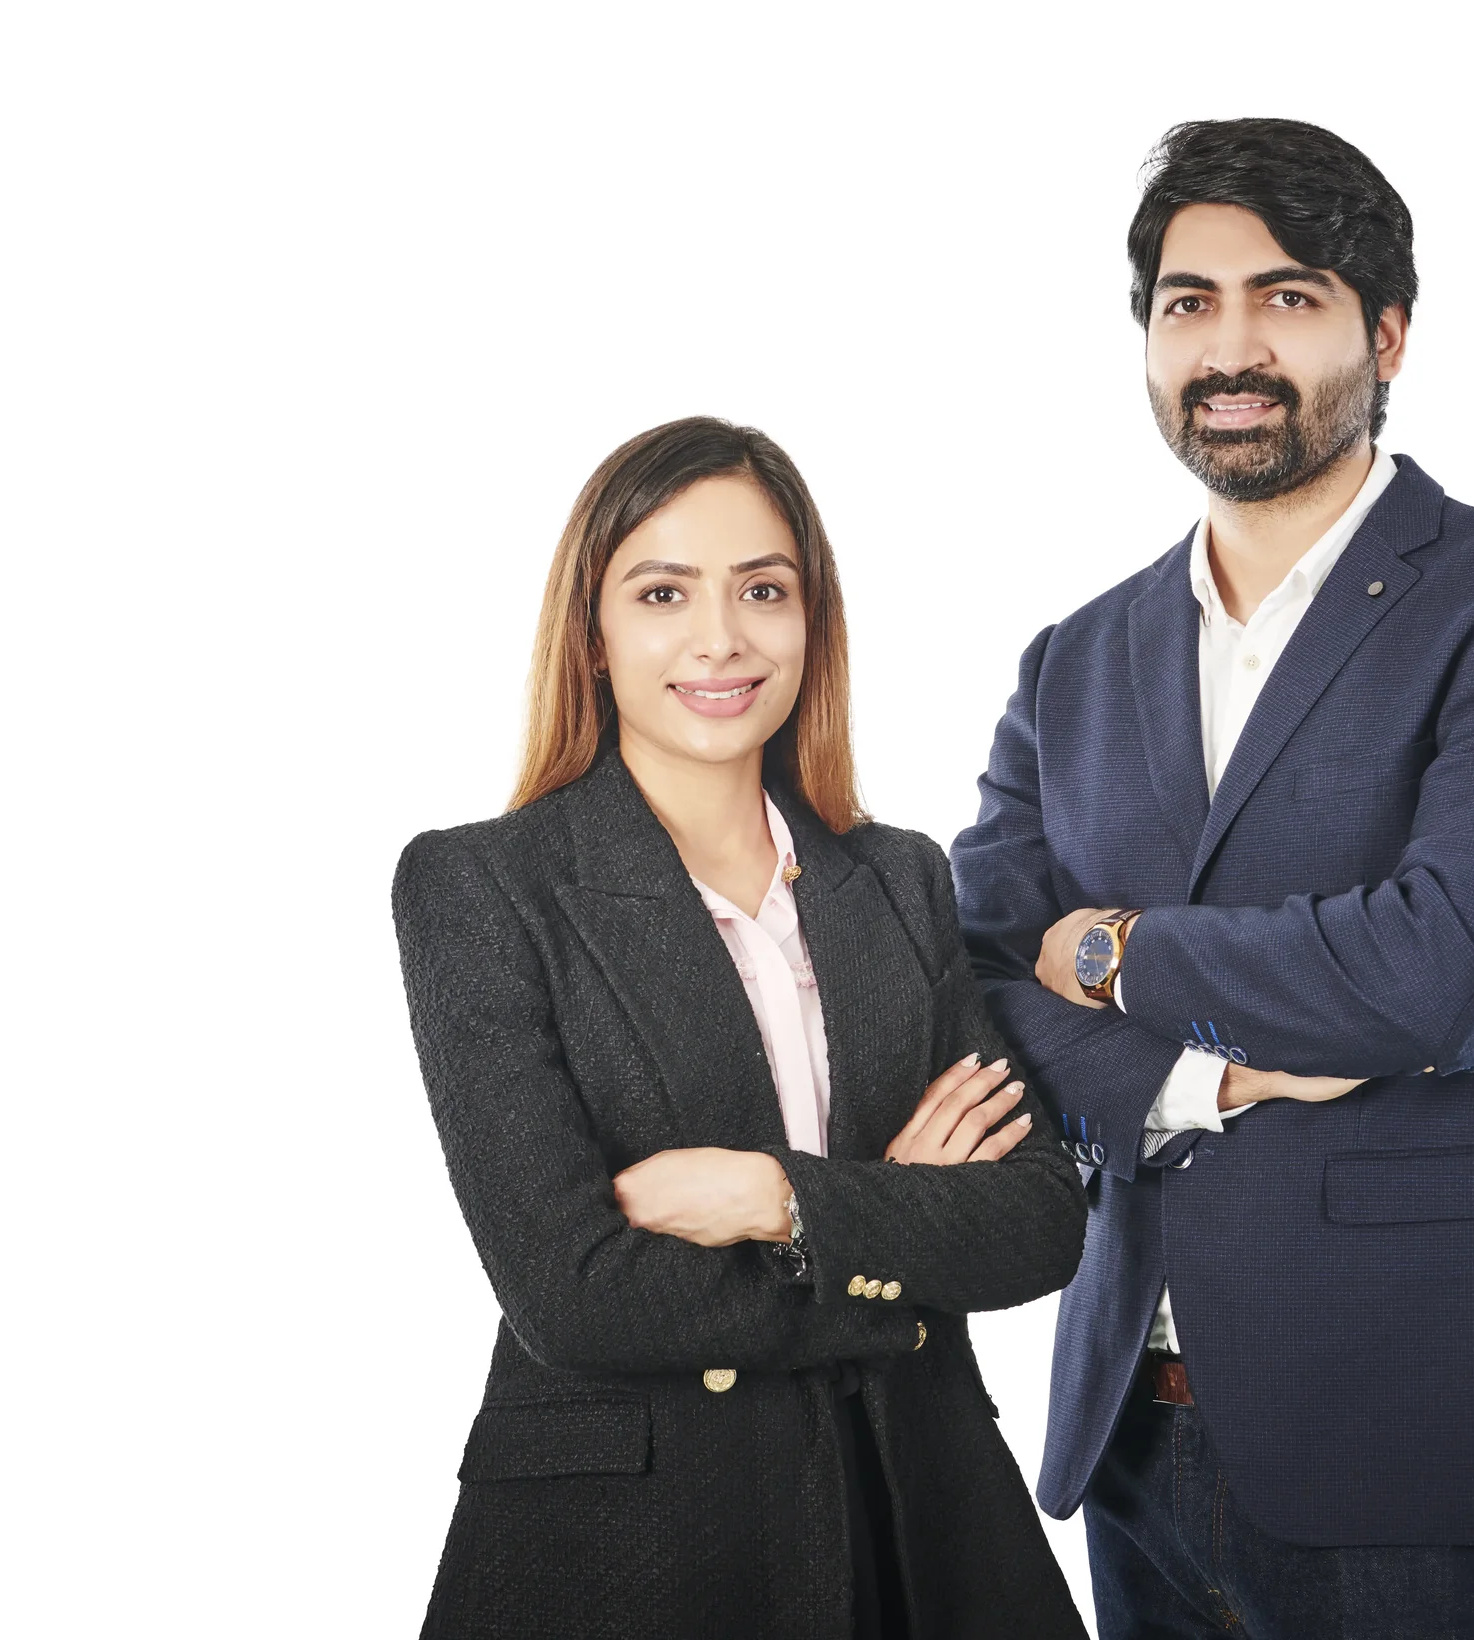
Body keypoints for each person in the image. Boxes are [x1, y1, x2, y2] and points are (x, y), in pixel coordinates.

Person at [950, 119, 1474, 1638]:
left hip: (1405, 1417)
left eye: (1290, 295)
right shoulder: (1073, 661)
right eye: (1189, 302)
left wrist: (1114, 953)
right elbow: (981, 977)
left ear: (1386, 333)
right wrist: (1208, 1085)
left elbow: (1441, 972)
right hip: (1132, 1413)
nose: (1232, 346)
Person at [391, 416, 1090, 1640]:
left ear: (810, 619)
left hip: (917, 1520)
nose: (720, 637)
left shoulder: (896, 878)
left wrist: (776, 1196)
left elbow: (1035, 1221)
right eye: (663, 591)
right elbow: (577, 1294)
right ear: (593, 636)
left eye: (762, 589)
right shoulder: (483, 886)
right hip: (635, 1543)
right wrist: (896, 1230)